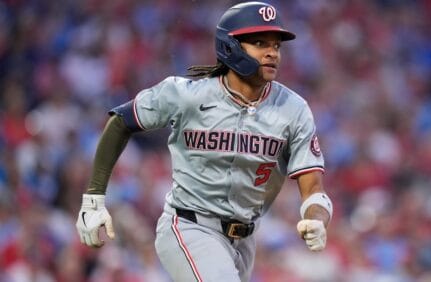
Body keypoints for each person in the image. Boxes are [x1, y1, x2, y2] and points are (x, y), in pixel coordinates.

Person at [75, 1, 333, 281]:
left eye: (276, 45)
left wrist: (317, 220)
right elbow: (121, 122)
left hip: (244, 240)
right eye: (260, 43)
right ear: (230, 47)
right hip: (189, 226)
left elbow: (313, 190)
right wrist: (93, 200)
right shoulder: (187, 94)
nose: (272, 53)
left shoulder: (293, 109)